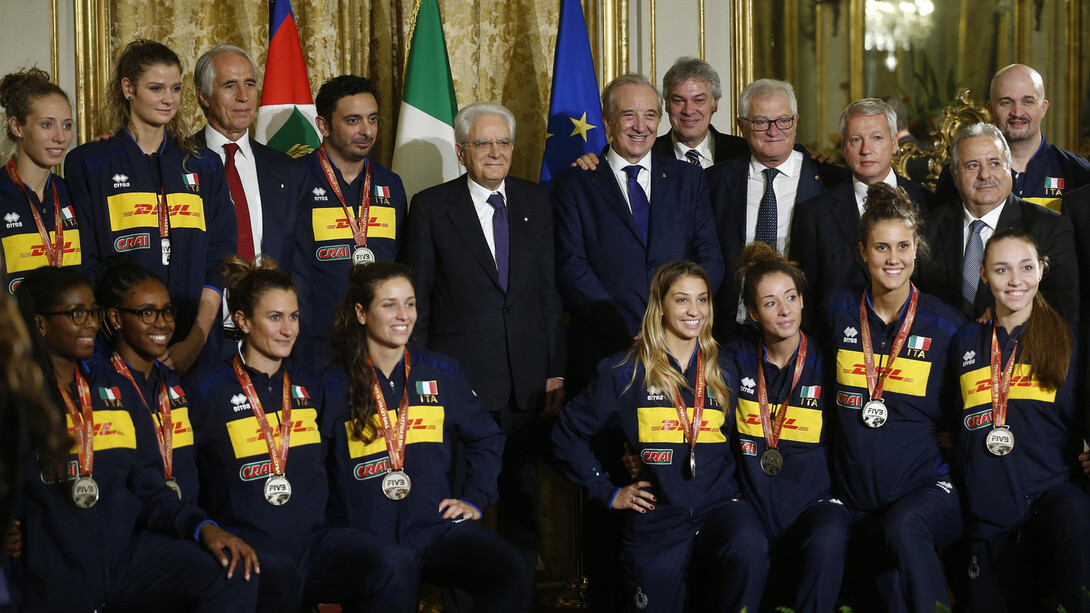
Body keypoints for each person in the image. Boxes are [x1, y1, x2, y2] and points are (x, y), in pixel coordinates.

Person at [12, 266, 258, 611]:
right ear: (40, 324)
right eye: (77, 314)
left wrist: (202, 527)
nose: (92, 325)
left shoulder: (114, 392)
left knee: (231, 571)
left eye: (93, 313)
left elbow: (147, 484)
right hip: (54, 576)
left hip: (126, 562)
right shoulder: (19, 401)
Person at [400, 100, 564, 602]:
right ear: (462, 151)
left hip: (526, 384)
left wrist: (555, 370)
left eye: (503, 143)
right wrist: (418, 377)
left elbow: (548, 296)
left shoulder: (538, 201)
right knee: (459, 505)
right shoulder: (431, 206)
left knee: (520, 503)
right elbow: (418, 301)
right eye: (483, 143)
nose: (495, 152)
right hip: (456, 385)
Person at [185, 255, 414, 613]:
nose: (288, 329)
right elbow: (184, 475)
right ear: (242, 321)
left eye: (293, 317)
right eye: (274, 317)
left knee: (393, 561)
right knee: (279, 576)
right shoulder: (206, 389)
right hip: (251, 548)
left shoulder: (311, 384)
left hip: (315, 546)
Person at [552, 260, 768, 613]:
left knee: (751, 547)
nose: (694, 310)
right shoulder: (625, 371)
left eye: (702, 300)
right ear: (660, 305)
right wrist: (608, 492)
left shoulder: (724, 368)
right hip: (658, 519)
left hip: (718, 508)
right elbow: (567, 434)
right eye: (682, 300)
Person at [321, 261, 524, 611]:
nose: (403, 315)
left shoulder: (441, 371)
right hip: (366, 540)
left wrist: (474, 498)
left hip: (431, 532)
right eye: (389, 304)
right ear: (361, 312)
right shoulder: (330, 385)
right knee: (392, 574)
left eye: (410, 303)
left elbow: (488, 437)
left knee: (505, 566)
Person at [823, 182, 965, 612]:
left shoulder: (947, 325)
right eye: (881, 248)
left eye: (903, 246)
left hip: (923, 490)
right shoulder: (836, 311)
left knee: (905, 529)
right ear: (862, 252)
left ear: (917, 248)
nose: (893, 259)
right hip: (854, 496)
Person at [64, 39, 236, 374]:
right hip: (117, 349)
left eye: (175, 88)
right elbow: (85, 262)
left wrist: (196, 339)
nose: (168, 99)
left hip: (194, 349)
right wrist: (131, 336)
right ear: (128, 88)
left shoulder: (205, 165)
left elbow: (220, 259)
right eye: (156, 88)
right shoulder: (90, 163)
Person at [949, 228, 1090, 611]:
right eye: (1002, 270)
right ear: (982, 275)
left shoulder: (1072, 341)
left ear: (1042, 270)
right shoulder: (963, 342)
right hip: (987, 510)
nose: (1016, 281)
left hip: (1052, 501)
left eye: (1026, 268)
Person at [552, 73, 724, 387]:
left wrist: (672, 321)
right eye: (628, 115)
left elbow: (709, 259)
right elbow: (572, 267)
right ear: (607, 120)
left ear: (660, 119)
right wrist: (628, 326)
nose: (640, 126)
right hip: (604, 349)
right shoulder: (574, 184)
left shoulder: (689, 179)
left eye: (649, 115)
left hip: (679, 346)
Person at [726, 242, 851, 613]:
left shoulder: (831, 361)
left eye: (791, 297)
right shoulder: (733, 359)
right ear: (752, 312)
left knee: (829, 537)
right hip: (752, 505)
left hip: (814, 504)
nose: (784, 310)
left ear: (801, 301)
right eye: (769, 303)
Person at [706, 78, 849, 340]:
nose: (774, 131)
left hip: (804, 336)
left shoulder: (831, 183)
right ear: (742, 126)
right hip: (730, 335)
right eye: (761, 122)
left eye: (783, 120)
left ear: (795, 121)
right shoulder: (713, 182)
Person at [295, 75, 407, 367]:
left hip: (379, 345)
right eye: (353, 120)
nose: (366, 131)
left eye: (372, 119)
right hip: (314, 344)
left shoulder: (391, 184)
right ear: (323, 126)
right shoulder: (293, 180)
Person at [916, 122, 1078, 322]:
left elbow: (1064, 313)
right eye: (972, 166)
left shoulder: (1049, 228)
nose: (985, 175)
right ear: (955, 175)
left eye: (994, 163)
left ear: (1009, 168)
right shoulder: (927, 229)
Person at [790, 98, 931, 327]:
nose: (866, 150)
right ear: (844, 147)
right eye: (856, 140)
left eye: (877, 138)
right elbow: (805, 298)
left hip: (914, 344)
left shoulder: (928, 203)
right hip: (838, 344)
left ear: (895, 143)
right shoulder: (814, 214)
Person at [91, 257, 199, 504]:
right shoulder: (95, 388)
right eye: (147, 312)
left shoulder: (175, 384)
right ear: (115, 318)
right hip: (131, 535)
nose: (161, 323)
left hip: (182, 529)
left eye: (167, 311)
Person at [193, 45, 305, 273]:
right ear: (204, 96)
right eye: (230, 85)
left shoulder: (285, 168)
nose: (243, 96)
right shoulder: (179, 160)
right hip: (203, 303)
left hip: (269, 302)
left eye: (250, 84)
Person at [934, 64, 1090, 209]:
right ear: (990, 109)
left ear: (1043, 108)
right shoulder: (963, 174)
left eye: (1028, 102)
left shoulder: (1077, 172)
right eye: (1006, 103)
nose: (1017, 112)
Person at [0, 68, 87, 293]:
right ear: (17, 127)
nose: (60, 137)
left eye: (67, 125)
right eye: (47, 124)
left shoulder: (73, 192)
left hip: (71, 325)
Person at [651, 57, 749, 167]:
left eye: (699, 100)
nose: (688, 111)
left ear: (715, 103)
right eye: (678, 101)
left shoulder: (743, 152)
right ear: (667, 104)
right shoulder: (649, 154)